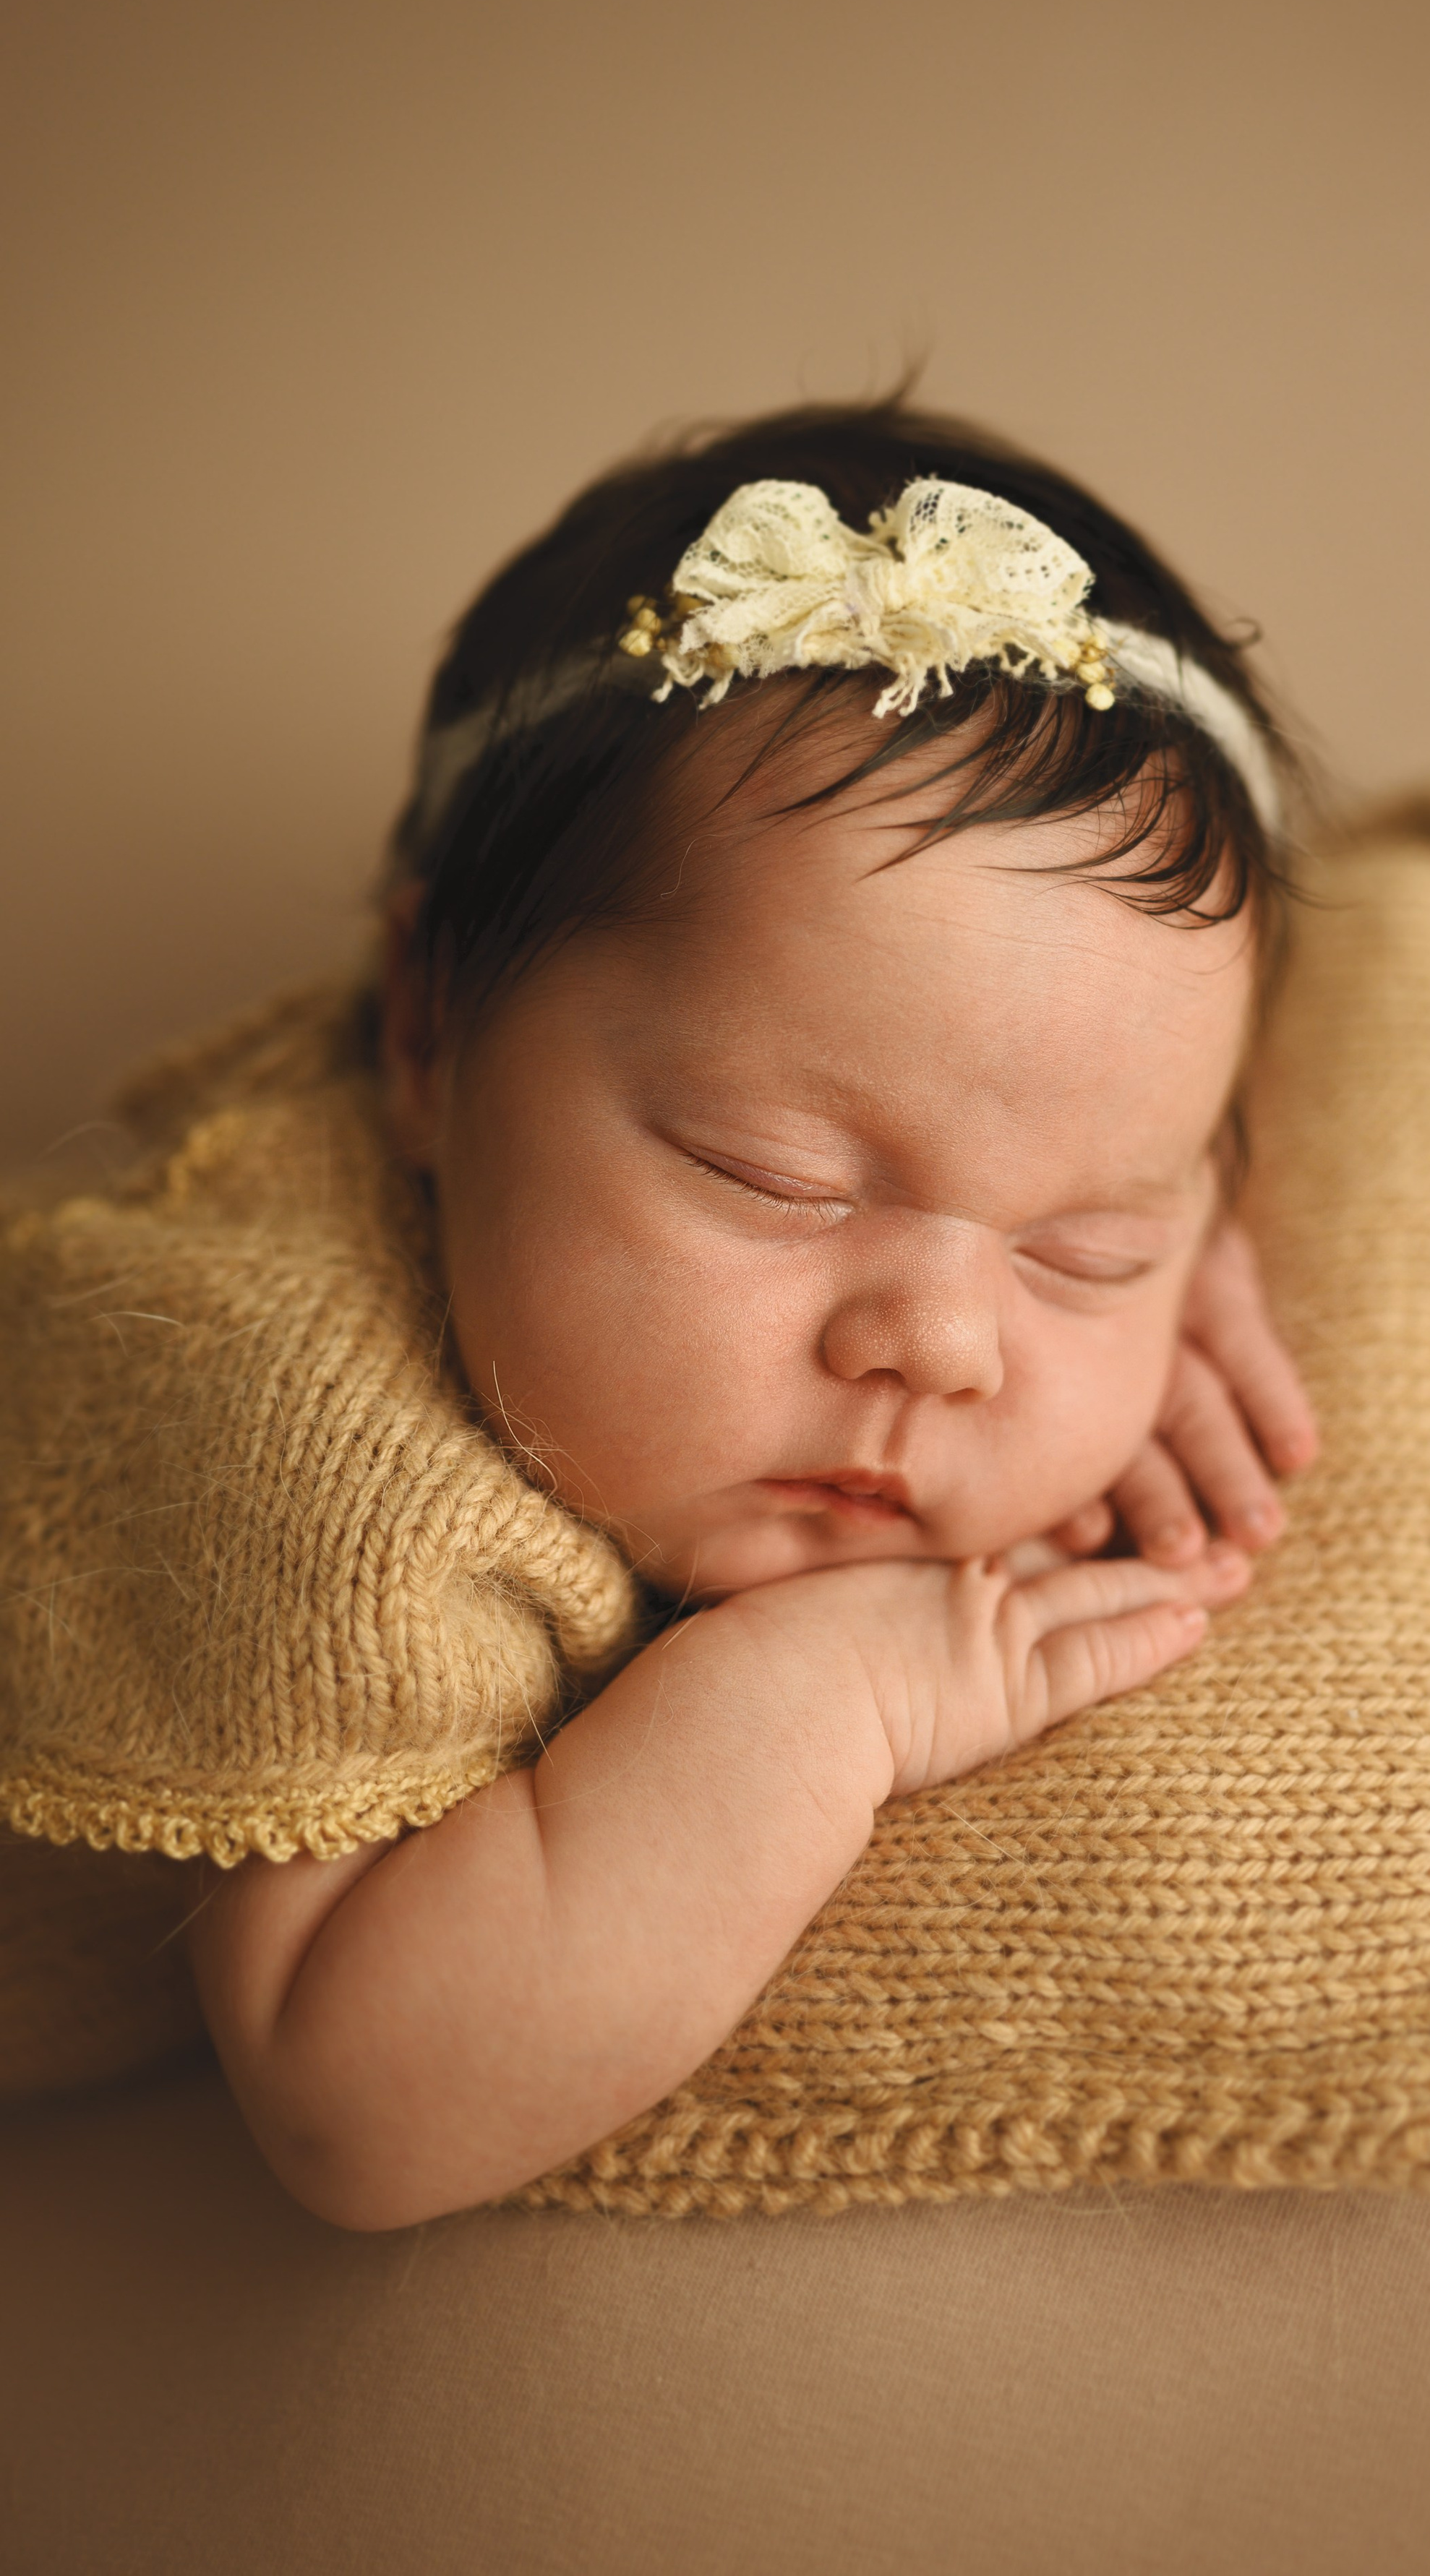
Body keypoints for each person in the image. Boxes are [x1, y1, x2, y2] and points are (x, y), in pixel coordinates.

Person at [20, 400, 1320, 2224]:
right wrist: (841, 1691)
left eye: (1079, 1246)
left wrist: (1181, 1227)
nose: (943, 1345)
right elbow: (359, 2104)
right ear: (425, 1031)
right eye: (776, 1178)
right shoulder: (304, 1428)